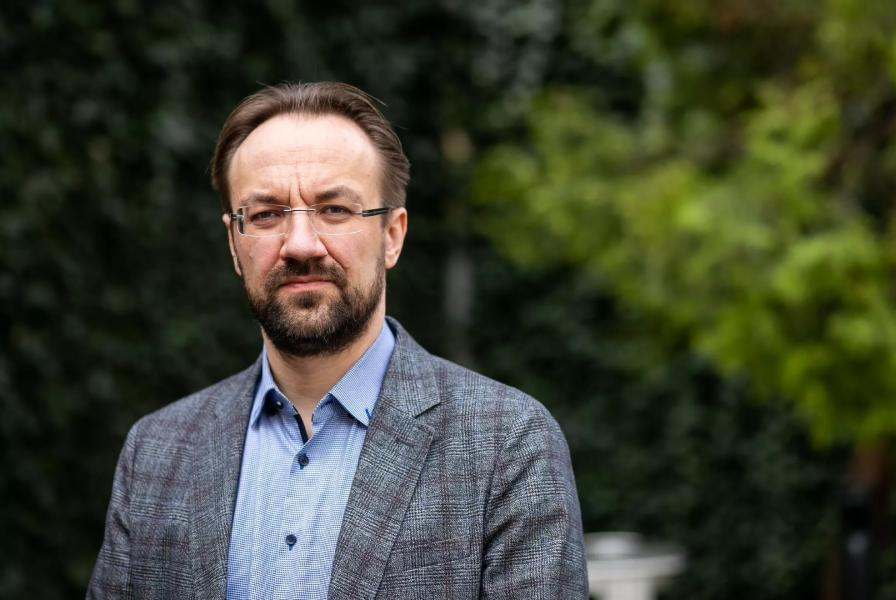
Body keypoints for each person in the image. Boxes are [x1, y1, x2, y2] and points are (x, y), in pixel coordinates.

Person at [87, 81, 587, 599]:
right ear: (234, 243)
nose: (301, 245)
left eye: (334, 210)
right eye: (266, 215)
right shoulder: (156, 452)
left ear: (392, 235)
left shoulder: (507, 443)